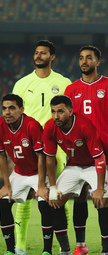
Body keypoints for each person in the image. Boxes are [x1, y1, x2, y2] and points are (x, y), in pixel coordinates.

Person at [12, 40, 71, 255]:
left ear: (52, 57)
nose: (38, 56)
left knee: (57, 196)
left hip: (57, 147)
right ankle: (19, 247)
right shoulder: (21, 84)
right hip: (28, 147)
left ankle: (63, 247)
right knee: (23, 198)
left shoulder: (63, 82)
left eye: (43, 53)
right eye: (36, 53)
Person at [64, 45, 108, 255]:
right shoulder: (71, 90)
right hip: (79, 153)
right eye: (81, 58)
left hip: (105, 151)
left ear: (98, 62)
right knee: (79, 196)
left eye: (89, 58)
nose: (84, 61)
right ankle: (81, 245)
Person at [43, 95, 108, 255]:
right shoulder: (50, 127)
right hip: (74, 165)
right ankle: (68, 249)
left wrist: (100, 188)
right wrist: (52, 187)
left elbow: (99, 158)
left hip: (93, 165)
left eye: (60, 111)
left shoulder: (84, 125)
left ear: (71, 111)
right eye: (53, 111)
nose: (56, 116)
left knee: (103, 200)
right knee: (55, 201)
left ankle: (106, 251)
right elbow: (49, 158)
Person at [0, 94, 52, 255]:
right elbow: (1, 155)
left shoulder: (32, 125)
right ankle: (11, 250)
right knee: (3, 202)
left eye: (12, 108)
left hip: (39, 172)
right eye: (4, 108)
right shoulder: (1, 125)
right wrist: (6, 185)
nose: (7, 112)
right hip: (20, 172)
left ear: (21, 110)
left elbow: (41, 157)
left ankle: (47, 251)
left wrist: (41, 185)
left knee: (44, 203)